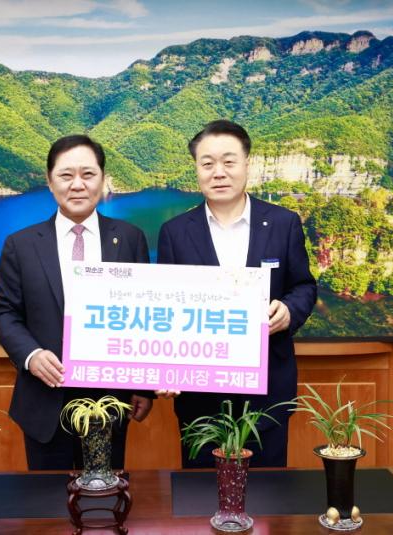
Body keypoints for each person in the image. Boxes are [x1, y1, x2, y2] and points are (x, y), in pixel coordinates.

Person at [157, 120, 316, 467]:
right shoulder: (174, 232)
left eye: (228, 162)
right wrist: (165, 371)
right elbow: (164, 307)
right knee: (200, 490)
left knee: (268, 491)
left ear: (247, 164)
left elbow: (304, 285)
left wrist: (289, 311)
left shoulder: (283, 223)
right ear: (196, 169)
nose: (219, 172)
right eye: (207, 163)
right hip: (200, 396)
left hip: (267, 391)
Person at [0, 134, 153, 470]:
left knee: (106, 493)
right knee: (47, 497)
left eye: (88, 174)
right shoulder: (21, 245)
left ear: (103, 179)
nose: (77, 184)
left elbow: (144, 314)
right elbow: (5, 314)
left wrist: (144, 387)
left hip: (111, 400)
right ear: (50, 182)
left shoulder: (129, 238)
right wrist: (31, 355)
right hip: (46, 399)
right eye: (66, 175)